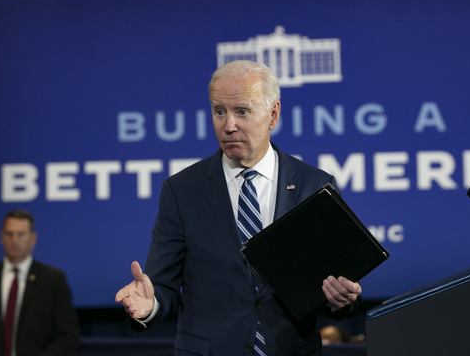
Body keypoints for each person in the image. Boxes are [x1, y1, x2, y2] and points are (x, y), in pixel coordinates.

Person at [115, 60, 362, 355]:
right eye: (220, 112)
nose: (228, 125)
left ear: (273, 115)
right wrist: (150, 305)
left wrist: (342, 300)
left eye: (241, 111)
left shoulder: (315, 186)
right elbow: (163, 286)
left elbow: (337, 283)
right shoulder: (182, 191)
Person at [0, 209, 80, 356]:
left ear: (33, 238)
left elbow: (68, 336)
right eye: (9, 234)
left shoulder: (52, 280)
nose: (15, 241)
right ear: (1, 237)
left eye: (21, 234)